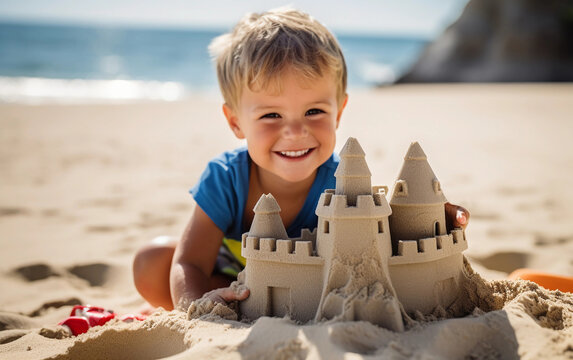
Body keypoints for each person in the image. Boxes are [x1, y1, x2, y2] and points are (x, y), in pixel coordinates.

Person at [132, 7, 470, 313]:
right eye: (271, 115)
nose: (295, 131)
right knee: (151, 262)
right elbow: (190, 262)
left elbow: (385, 228)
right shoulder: (225, 177)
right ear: (236, 122)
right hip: (227, 275)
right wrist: (197, 303)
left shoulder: (342, 182)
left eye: (314, 111)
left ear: (339, 113)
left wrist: (428, 216)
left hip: (306, 287)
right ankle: (231, 308)